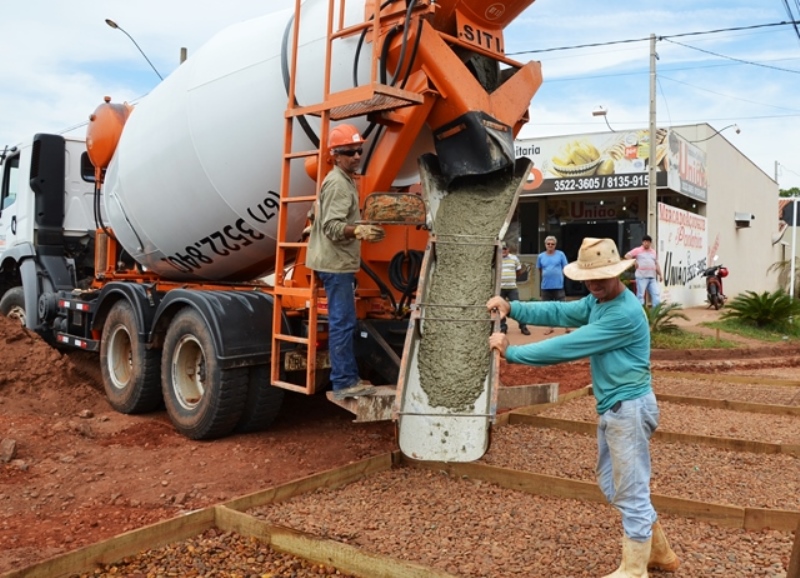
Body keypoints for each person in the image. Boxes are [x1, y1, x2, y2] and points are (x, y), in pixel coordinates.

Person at [486, 237, 680, 577]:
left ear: (617, 274)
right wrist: (514, 308)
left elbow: (569, 345)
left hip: (629, 406)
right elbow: (561, 311)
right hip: (617, 406)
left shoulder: (622, 313)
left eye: (601, 278)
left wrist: (511, 351)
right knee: (616, 484)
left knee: (630, 489)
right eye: (588, 279)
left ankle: (634, 571)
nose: (593, 285)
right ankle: (659, 554)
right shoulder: (598, 300)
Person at [306, 124, 386, 401]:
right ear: (335, 155)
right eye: (349, 152)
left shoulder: (339, 179)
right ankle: (343, 382)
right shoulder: (339, 184)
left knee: (344, 321)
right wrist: (358, 230)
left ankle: (347, 377)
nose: (355, 156)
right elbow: (332, 226)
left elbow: (318, 213)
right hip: (335, 265)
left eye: (358, 150)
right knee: (343, 323)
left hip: (335, 262)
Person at [536, 235, 569, 335]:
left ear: (555, 245)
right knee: (547, 308)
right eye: (548, 244)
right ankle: (549, 327)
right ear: (545, 244)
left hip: (558, 286)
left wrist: (560, 277)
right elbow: (539, 269)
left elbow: (565, 267)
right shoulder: (541, 256)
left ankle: (566, 326)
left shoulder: (560, 254)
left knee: (562, 307)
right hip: (545, 286)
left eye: (552, 244)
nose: (550, 245)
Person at [499, 242, 530, 336]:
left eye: (505, 248)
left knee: (518, 308)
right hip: (500, 288)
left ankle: (523, 327)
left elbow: (518, 271)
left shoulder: (514, 258)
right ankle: (503, 328)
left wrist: (510, 278)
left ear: (508, 249)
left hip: (512, 287)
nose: (503, 250)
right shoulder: (497, 258)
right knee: (500, 309)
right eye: (502, 248)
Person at [625, 235, 663, 308]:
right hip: (641, 277)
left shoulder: (653, 252)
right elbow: (627, 256)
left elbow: (656, 264)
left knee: (656, 294)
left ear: (650, 243)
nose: (646, 243)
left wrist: (660, 275)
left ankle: (655, 313)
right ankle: (640, 312)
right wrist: (634, 261)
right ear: (642, 242)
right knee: (640, 295)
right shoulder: (637, 250)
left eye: (648, 242)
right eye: (645, 242)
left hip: (652, 277)